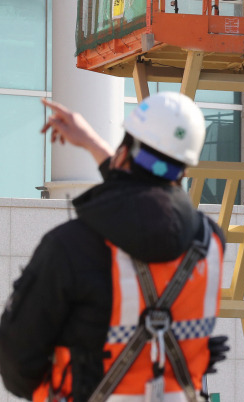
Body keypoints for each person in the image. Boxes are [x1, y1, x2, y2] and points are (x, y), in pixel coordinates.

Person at [0, 92, 229, 402]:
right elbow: (146, 201)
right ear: (185, 169)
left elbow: (17, 366)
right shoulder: (209, 242)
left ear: (123, 154)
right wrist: (95, 146)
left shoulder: (68, 247)